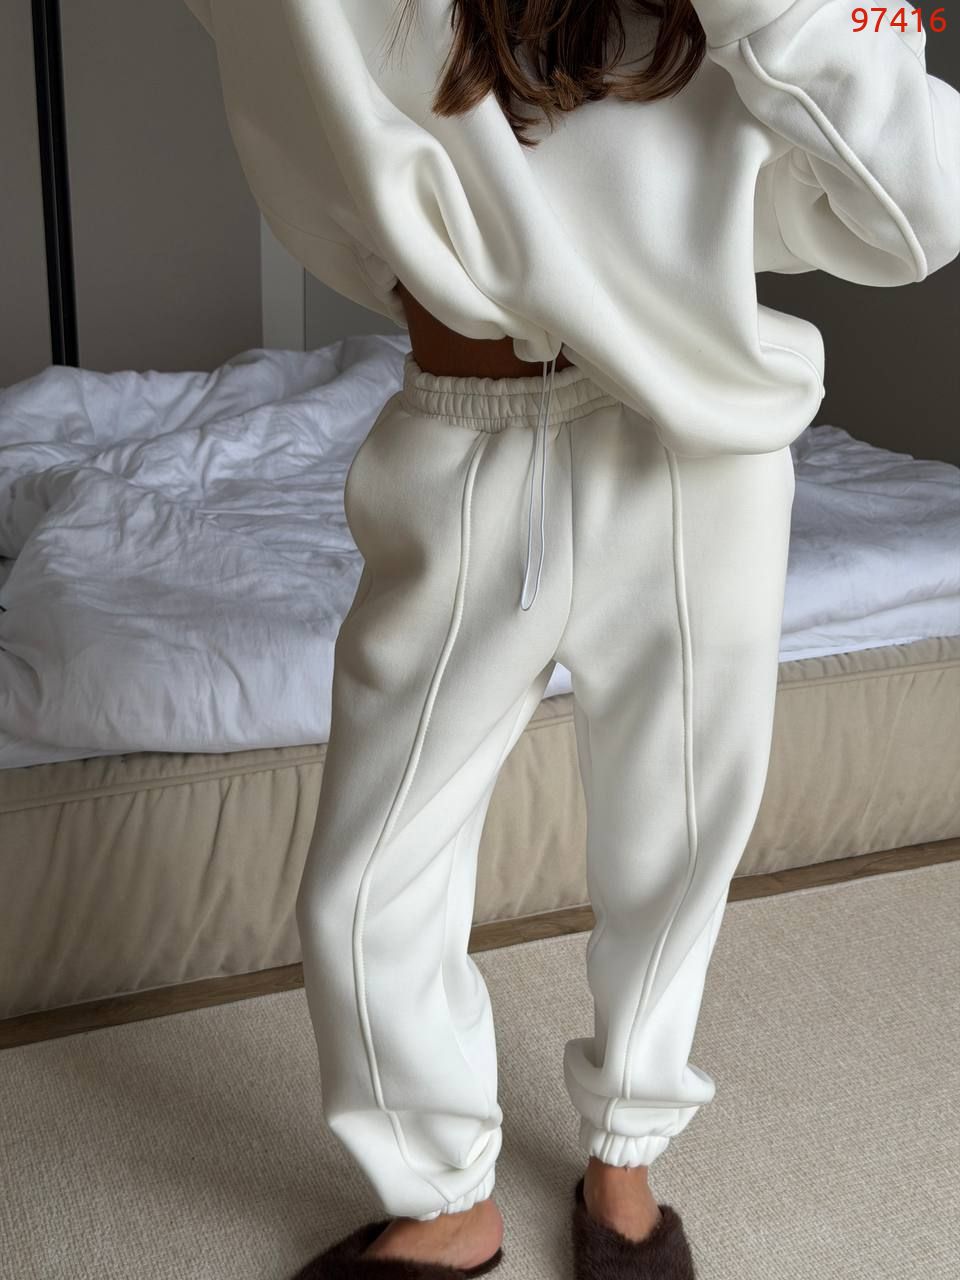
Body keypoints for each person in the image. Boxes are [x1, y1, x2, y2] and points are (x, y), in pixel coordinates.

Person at [183, 2, 960, 1276]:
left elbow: (919, 209)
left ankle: (625, 1155)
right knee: (367, 879)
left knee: (681, 831)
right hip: (459, 441)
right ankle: (443, 1193)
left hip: (695, 454)